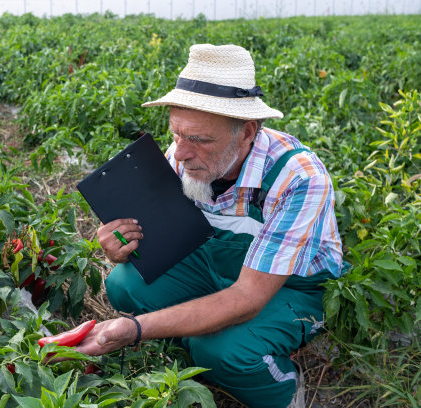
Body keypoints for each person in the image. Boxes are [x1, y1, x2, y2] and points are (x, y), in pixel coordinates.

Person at [75, 44, 346, 408]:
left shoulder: (297, 178)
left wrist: (136, 329)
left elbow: (248, 298)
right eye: (176, 134)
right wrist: (120, 246)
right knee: (124, 285)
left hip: (294, 286)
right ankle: (196, 352)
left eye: (200, 139)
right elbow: (167, 238)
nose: (182, 152)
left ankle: (281, 389)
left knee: (224, 352)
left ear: (247, 132)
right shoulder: (181, 156)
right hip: (216, 264)